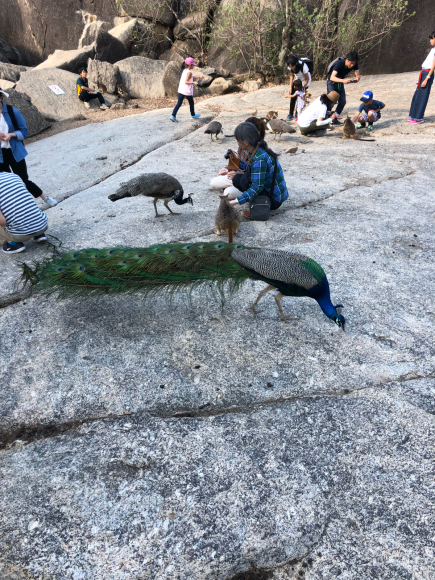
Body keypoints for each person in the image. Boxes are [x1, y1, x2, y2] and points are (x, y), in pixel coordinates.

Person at [0, 89, 57, 207]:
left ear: (0, 97)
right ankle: (18, 208)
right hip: (0, 154)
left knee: (23, 180)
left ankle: (45, 198)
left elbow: (24, 131)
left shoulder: (12, 112)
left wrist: (11, 134)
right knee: (6, 184)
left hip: (14, 151)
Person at [227, 122, 288, 219]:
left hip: (274, 200)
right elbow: (249, 167)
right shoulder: (258, 147)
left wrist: (236, 201)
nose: (237, 143)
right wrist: (234, 160)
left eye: (237, 140)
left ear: (246, 142)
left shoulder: (259, 159)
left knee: (244, 180)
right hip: (271, 191)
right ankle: (253, 200)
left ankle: (259, 209)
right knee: (238, 179)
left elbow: (257, 187)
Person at [210, 117, 266, 199]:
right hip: (239, 177)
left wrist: (237, 175)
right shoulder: (244, 145)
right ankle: (234, 184)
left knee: (228, 192)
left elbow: (255, 177)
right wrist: (228, 169)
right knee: (213, 182)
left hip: (250, 182)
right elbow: (241, 163)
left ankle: (240, 190)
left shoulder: (259, 152)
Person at [0, 172, 48, 254]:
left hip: (21, 235)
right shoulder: (13, 175)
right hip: (42, 225)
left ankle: (12, 243)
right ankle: (39, 235)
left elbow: (3, 222)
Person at [408, 31, 435, 124]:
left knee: (422, 96)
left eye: (432, 39)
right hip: (423, 73)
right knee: (417, 95)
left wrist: (427, 78)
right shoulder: (433, 49)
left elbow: (433, 66)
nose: (430, 41)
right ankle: (413, 115)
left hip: (428, 74)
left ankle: (419, 118)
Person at [327, 51, 360, 125]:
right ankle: (325, 120)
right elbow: (332, 77)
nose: (352, 65)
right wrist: (343, 80)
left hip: (340, 82)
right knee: (331, 101)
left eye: (354, 64)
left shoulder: (355, 64)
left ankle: (334, 119)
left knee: (342, 102)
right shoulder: (340, 63)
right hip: (332, 82)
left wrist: (356, 79)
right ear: (347, 60)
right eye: (351, 63)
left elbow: (357, 75)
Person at [170, 58, 205, 122]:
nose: (193, 66)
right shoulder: (189, 72)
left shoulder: (185, 70)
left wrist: (199, 77)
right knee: (191, 103)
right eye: (193, 65)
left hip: (181, 90)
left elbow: (190, 77)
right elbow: (186, 82)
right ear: (190, 65)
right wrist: (193, 82)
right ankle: (193, 115)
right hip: (186, 91)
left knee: (179, 103)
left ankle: (173, 115)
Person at [286, 55, 311, 121]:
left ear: (296, 63)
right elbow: (291, 77)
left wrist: (303, 88)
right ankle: (290, 114)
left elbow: (307, 79)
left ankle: (297, 113)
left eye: (292, 66)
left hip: (304, 81)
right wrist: (290, 87)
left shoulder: (303, 66)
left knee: (299, 97)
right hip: (297, 81)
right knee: (293, 97)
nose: (290, 67)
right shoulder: (290, 67)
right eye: (289, 66)